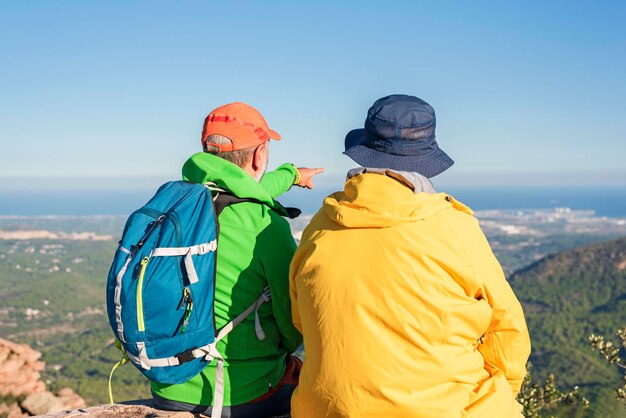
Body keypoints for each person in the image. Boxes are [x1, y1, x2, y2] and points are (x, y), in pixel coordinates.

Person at [289, 94, 531, 417]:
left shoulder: (319, 227)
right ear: (424, 163)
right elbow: (508, 329)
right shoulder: (453, 227)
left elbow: (302, 318)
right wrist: (503, 391)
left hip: (326, 409)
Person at [151, 102, 323, 418]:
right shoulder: (265, 226)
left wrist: (292, 175)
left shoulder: (178, 203)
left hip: (167, 382)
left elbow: (241, 187)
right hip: (238, 393)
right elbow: (291, 325)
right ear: (259, 156)